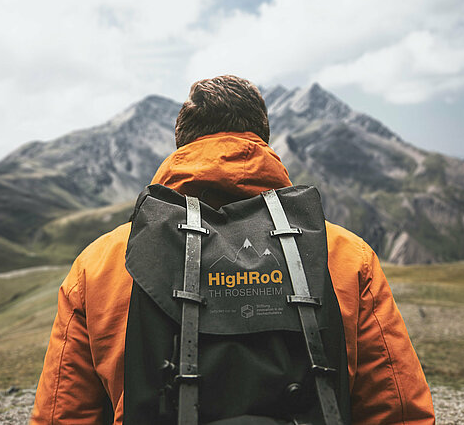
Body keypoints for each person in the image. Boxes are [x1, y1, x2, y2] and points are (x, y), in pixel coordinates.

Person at [31, 75, 435, 424]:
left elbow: (62, 416)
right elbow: (398, 410)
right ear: (261, 138)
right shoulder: (345, 254)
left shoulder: (102, 262)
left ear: (181, 144)